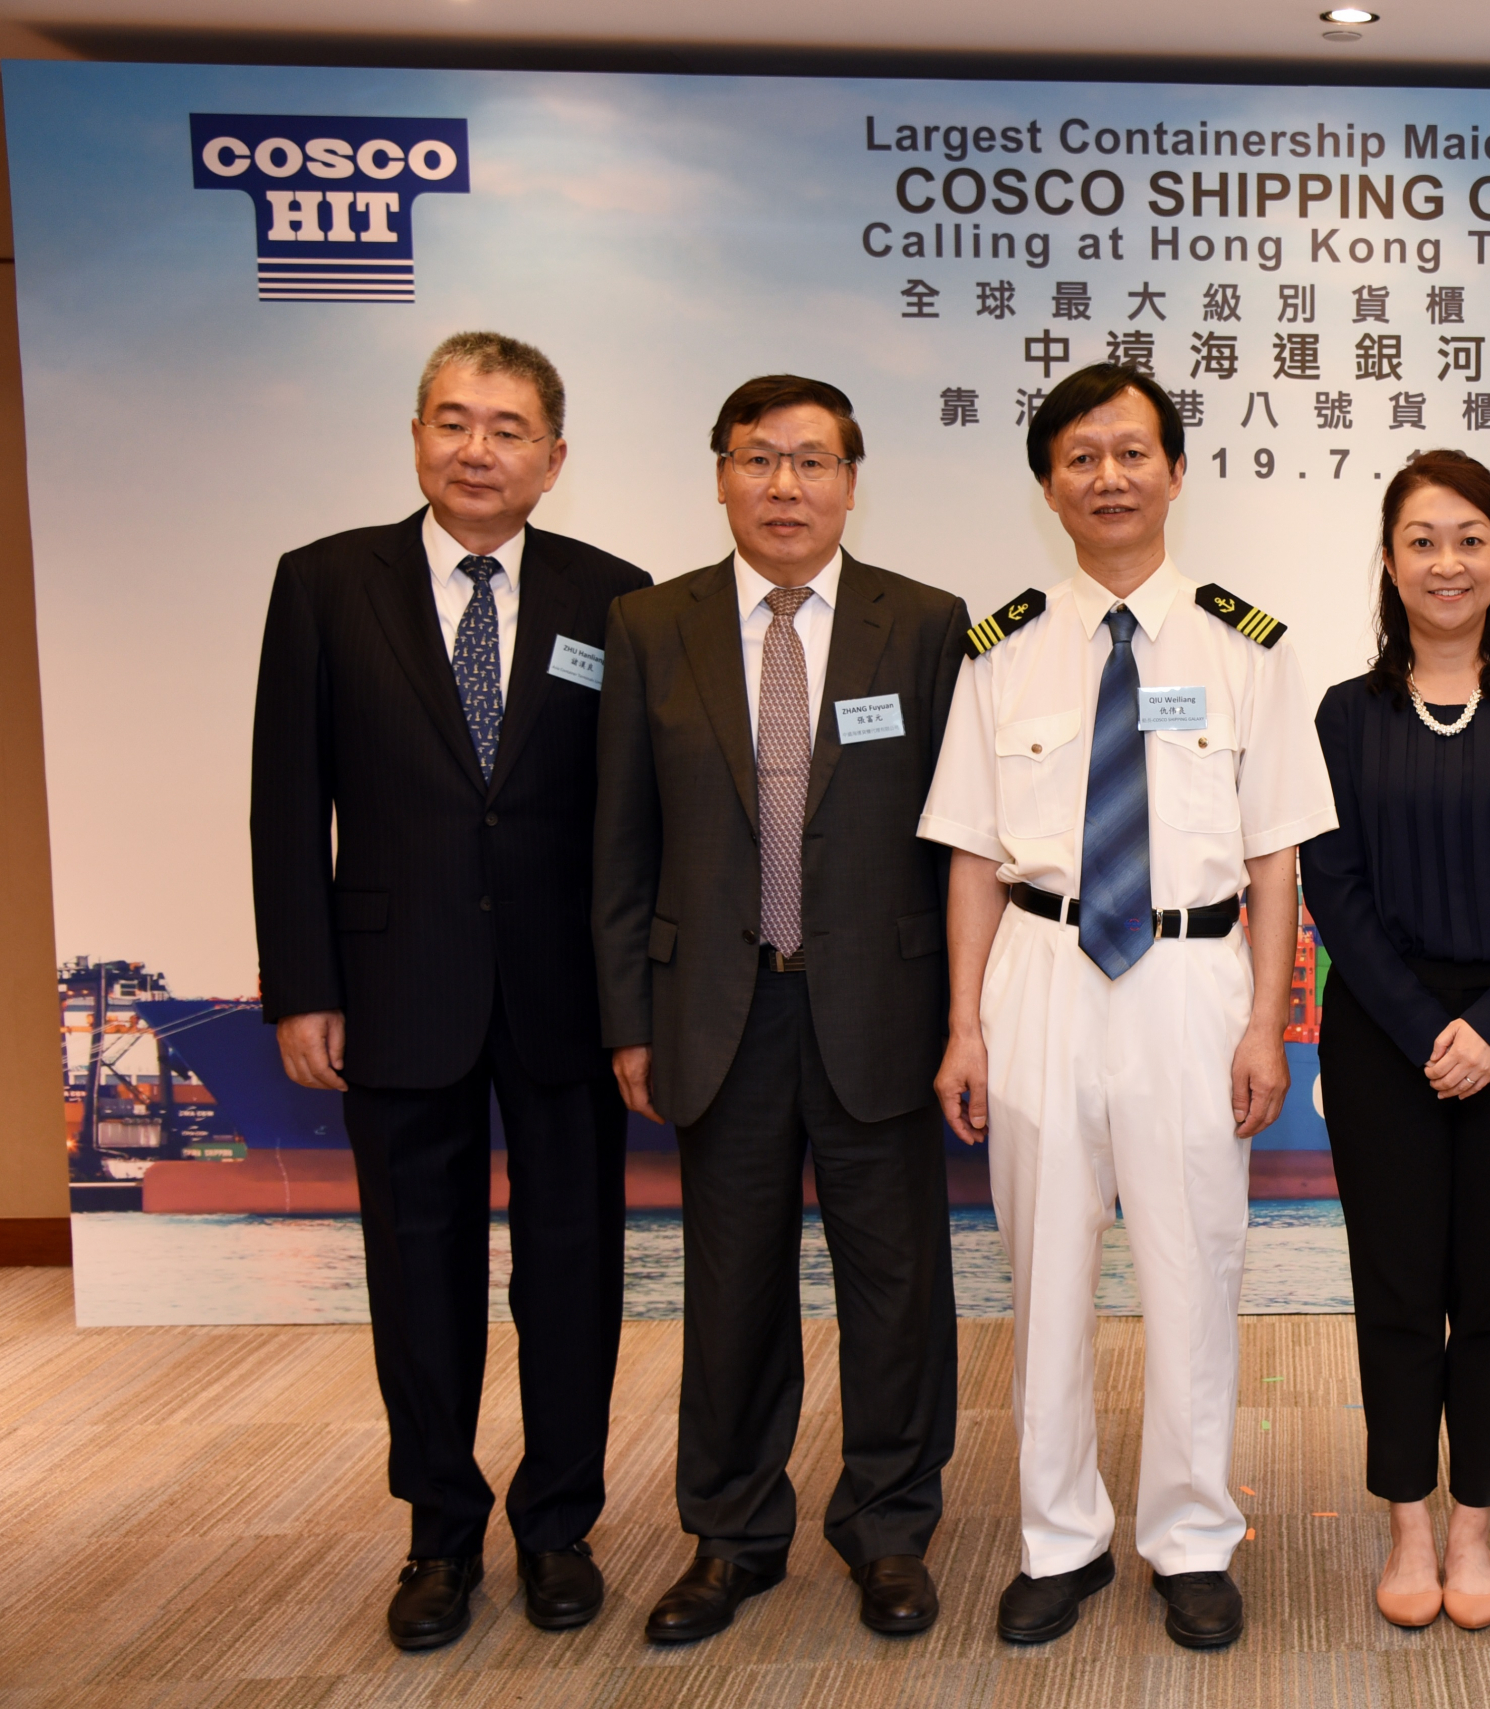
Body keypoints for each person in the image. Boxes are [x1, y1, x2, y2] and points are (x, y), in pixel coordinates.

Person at [920, 362, 1335, 1651]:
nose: (1109, 477)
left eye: (1133, 452)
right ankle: (1060, 1537)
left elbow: (1275, 856)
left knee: (1194, 1267)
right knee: (1045, 1272)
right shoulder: (1000, 653)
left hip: (1191, 982)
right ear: (1049, 487)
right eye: (1081, 458)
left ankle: (1193, 1536)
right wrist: (965, 1023)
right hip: (1039, 973)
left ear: (1176, 471)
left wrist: (1265, 1022)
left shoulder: (1247, 648)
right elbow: (971, 855)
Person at [250, 331, 646, 1650]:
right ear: (417, 435)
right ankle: (438, 1533)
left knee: (573, 1267)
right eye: (454, 422)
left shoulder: (614, 597)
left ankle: (558, 1525)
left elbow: (634, 815)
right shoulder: (324, 582)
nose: (478, 450)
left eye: (508, 429)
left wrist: (637, 994)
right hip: (392, 985)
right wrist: (302, 983)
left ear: (554, 456)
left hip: (565, 994)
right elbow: (284, 800)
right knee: (418, 1272)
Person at [591, 375, 969, 1644]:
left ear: (852, 482)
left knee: (897, 1285)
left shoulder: (926, 625)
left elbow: (958, 839)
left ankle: (890, 1527)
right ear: (720, 475)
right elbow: (619, 842)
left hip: (883, 1007)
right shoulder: (652, 625)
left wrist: (964, 1014)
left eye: (813, 460)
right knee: (732, 1285)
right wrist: (628, 1018)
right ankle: (733, 1534)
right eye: (759, 458)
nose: (786, 485)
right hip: (717, 1009)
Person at [1299, 450, 1490, 1632]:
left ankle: (1474, 1519)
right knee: (1394, 1282)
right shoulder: (1345, 714)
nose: (1447, 562)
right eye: (1422, 540)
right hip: (1385, 1032)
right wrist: (1433, 1027)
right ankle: (1408, 1522)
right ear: (1389, 562)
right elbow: (1335, 886)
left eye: (1470, 537)